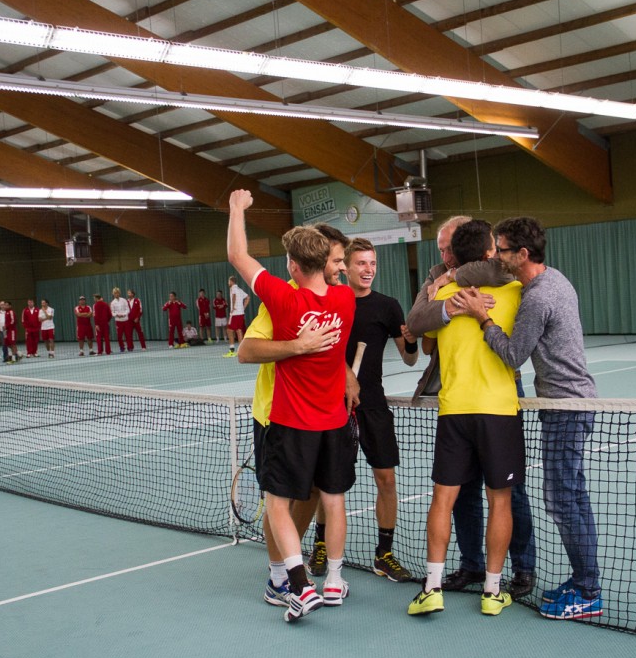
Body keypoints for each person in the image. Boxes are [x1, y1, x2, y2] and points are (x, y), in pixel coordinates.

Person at [450, 216, 603, 620]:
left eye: (501, 250)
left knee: (563, 499)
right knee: (571, 496)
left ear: (522, 254)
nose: (496, 257)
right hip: (569, 405)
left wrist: (483, 318)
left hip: (566, 408)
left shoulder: (537, 298)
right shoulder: (556, 279)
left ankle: (588, 590)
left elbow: (513, 355)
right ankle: (584, 581)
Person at [227, 188, 356, 623]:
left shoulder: (283, 299)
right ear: (327, 263)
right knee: (332, 500)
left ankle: (298, 585)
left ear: (293, 266)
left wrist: (236, 209)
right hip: (334, 423)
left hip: (291, 422)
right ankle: (333, 581)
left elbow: (238, 255)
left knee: (277, 503)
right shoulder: (345, 300)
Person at [406, 216, 537, 600]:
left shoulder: (456, 289)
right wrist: (453, 304)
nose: (445, 257)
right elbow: (418, 326)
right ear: (487, 249)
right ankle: (482, 577)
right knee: (481, 496)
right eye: (441, 251)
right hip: (478, 407)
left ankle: (514, 569)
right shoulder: (506, 288)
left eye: (450, 249)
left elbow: (418, 329)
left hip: (475, 405)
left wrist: (450, 288)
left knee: (491, 495)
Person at [338, 238, 418, 582]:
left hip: (374, 405)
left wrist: (411, 339)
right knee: (329, 483)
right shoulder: (333, 301)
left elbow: (410, 358)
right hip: (333, 406)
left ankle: (384, 555)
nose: (368, 269)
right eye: (361, 263)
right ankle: (322, 546)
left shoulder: (388, 306)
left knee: (386, 480)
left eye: (372, 263)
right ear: (346, 267)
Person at [225, 276, 250, 357]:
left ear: (231, 281)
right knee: (239, 331)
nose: (228, 283)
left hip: (235, 313)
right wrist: (243, 307)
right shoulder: (240, 289)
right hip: (241, 313)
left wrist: (233, 307)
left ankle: (231, 350)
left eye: (228, 281)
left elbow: (234, 296)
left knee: (229, 330)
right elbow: (248, 298)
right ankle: (241, 351)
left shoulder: (233, 288)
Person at [111, 287, 132, 352]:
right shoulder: (112, 302)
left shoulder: (124, 300)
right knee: (119, 336)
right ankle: (122, 347)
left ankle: (129, 347)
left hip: (125, 320)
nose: (116, 294)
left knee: (128, 335)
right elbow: (112, 312)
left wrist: (124, 314)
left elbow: (128, 309)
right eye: (115, 293)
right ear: (113, 294)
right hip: (118, 321)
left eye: (117, 293)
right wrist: (117, 315)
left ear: (119, 293)